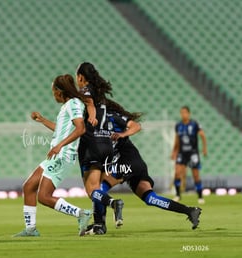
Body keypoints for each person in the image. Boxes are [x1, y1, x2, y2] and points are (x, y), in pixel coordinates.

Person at [86, 100, 202, 234]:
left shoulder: (112, 116)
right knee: (150, 198)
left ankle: (100, 224)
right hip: (135, 163)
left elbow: (136, 126)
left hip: (127, 161)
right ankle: (190, 211)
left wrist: (123, 134)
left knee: (98, 188)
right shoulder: (95, 123)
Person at [14, 74, 91, 237]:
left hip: (63, 155)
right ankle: (30, 229)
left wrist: (59, 146)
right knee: (28, 187)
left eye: (54, 92)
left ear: (59, 91)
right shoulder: (68, 106)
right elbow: (61, 129)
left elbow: (80, 128)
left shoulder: (74, 104)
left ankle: (81, 213)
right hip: (57, 154)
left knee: (43, 196)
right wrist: (42, 120)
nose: (53, 95)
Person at [75, 62, 123, 234]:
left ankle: (113, 203)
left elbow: (89, 104)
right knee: (98, 187)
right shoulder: (101, 95)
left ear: (80, 77)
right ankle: (99, 225)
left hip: (91, 144)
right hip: (106, 144)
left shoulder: (85, 91)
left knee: (92, 190)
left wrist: (92, 116)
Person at [171, 106, 207, 204]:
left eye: (185, 112)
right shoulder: (178, 125)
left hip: (193, 153)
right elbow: (177, 139)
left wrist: (204, 148)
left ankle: (200, 196)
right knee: (177, 173)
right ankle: (178, 195)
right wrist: (174, 151)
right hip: (182, 153)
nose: (183, 114)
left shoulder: (195, 124)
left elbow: (202, 135)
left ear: (189, 113)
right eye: (181, 113)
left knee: (196, 175)